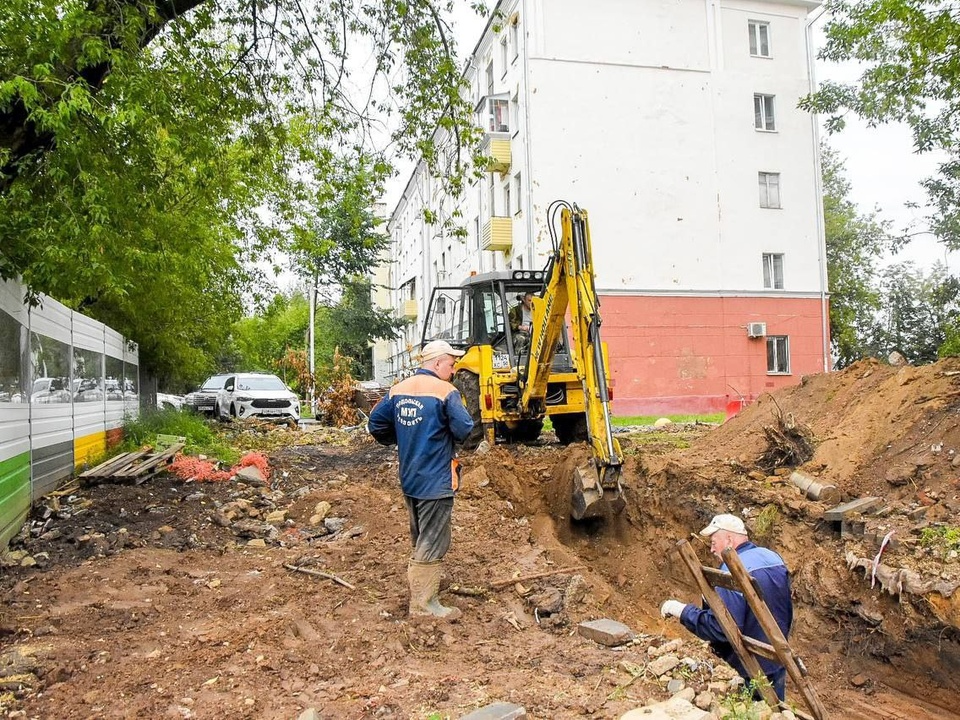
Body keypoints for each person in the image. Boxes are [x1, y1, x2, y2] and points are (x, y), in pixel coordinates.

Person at [367, 339, 475, 620]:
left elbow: (376, 424)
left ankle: (422, 587)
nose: (453, 371)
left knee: (420, 534)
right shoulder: (445, 391)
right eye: (451, 365)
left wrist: (401, 438)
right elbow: (465, 429)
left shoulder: (398, 390)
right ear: (437, 363)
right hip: (436, 478)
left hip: (410, 477)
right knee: (434, 537)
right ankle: (424, 605)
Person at [660, 514, 793, 701]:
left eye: (714, 542)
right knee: (778, 711)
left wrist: (682, 611)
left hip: (750, 666)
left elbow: (721, 627)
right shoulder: (773, 558)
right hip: (778, 658)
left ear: (729, 539)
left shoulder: (731, 572)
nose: (712, 549)